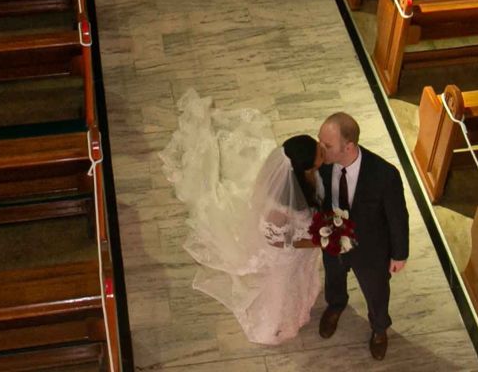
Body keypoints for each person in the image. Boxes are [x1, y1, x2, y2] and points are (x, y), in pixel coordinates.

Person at [160, 92, 323, 345]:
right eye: (317, 160)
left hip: (302, 245)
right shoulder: (278, 211)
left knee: (301, 279)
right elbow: (279, 242)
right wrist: (318, 240)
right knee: (283, 290)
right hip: (285, 255)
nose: (322, 160)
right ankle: (271, 327)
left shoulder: (301, 181)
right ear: (302, 170)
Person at [316, 112, 408, 360]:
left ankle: (379, 328)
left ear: (349, 146)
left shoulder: (384, 175)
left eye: (327, 145)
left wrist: (399, 254)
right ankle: (336, 304)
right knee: (333, 276)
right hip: (333, 238)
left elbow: (398, 217)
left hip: (370, 248)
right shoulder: (323, 164)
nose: (320, 149)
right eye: (320, 142)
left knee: (376, 290)